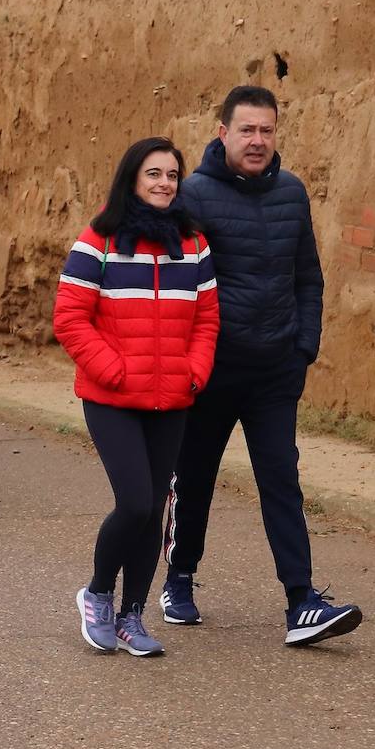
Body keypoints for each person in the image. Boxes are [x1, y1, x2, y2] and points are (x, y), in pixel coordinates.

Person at [161, 86, 364, 646]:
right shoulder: (194, 195)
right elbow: (178, 286)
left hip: (276, 371)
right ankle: (179, 578)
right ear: (222, 132)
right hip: (213, 372)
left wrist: (304, 348)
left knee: (281, 480)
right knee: (195, 477)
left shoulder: (293, 193)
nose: (257, 141)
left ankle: (302, 601)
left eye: (266, 131)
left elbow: (309, 277)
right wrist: (190, 361)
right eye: (246, 130)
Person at [54, 137, 220, 657]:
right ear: (132, 179)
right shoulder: (96, 241)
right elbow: (70, 319)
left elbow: (208, 319)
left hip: (172, 398)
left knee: (155, 513)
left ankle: (132, 616)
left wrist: (194, 372)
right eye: (154, 174)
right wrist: (114, 370)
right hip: (112, 397)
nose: (164, 184)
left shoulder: (193, 244)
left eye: (172, 175)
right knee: (135, 502)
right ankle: (98, 593)